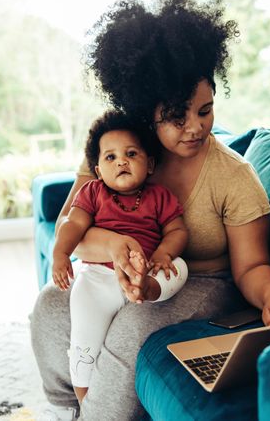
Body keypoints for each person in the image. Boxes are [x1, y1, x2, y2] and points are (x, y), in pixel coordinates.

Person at [31, 0, 270, 420]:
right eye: (177, 117)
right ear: (147, 112)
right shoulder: (114, 154)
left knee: (132, 328)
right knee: (50, 308)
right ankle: (69, 409)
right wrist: (111, 246)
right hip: (111, 273)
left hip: (199, 282)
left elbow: (251, 267)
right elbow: (74, 231)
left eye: (205, 110)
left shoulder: (234, 178)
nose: (195, 128)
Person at [52, 110, 189, 406]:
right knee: (84, 343)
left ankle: (147, 290)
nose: (122, 161)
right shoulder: (92, 192)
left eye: (131, 153)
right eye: (110, 157)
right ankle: (87, 405)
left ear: (150, 164)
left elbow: (177, 230)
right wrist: (60, 254)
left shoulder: (159, 196)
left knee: (180, 267)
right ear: (99, 170)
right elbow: (72, 224)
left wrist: (165, 253)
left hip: (148, 269)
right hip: (100, 278)